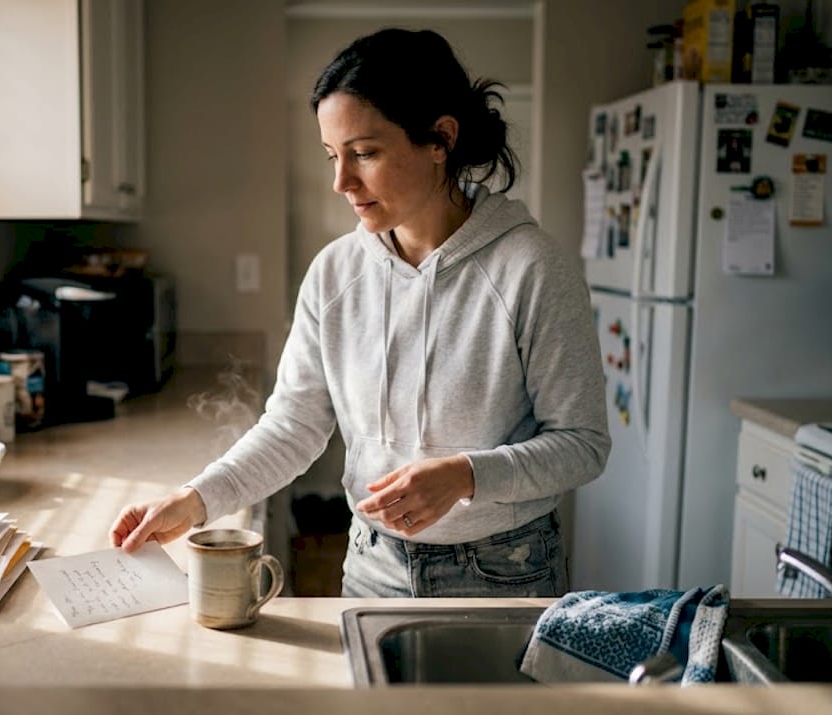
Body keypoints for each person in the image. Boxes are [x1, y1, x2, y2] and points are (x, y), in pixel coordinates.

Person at [110, 28, 610, 598]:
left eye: (365, 153)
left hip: (507, 570)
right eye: (332, 156)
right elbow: (293, 427)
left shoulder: (533, 267)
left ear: (440, 138)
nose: (341, 182)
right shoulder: (334, 273)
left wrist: (467, 476)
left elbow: (582, 443)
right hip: (374, 568)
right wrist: (196, 500)